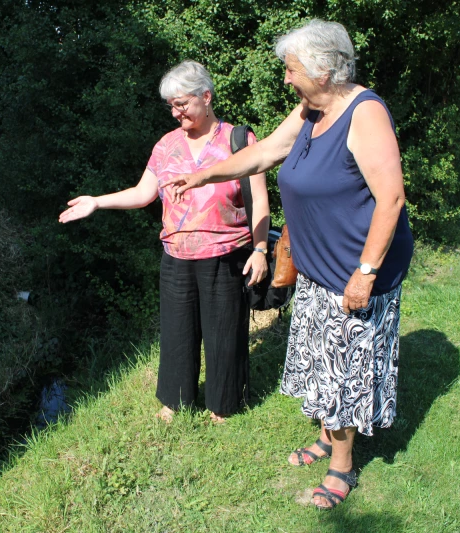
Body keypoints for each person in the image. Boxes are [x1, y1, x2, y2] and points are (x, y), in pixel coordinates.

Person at [162, 20, 414, 508]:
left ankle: (342, 467)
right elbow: (264, 154)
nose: (285, 78)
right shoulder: (310, 109)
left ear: (323, 71)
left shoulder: (364, 113)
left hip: (354, 269)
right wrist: (204, 174)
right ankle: (326, 437)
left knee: (344, 371)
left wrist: (365, 274)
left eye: (291, 69)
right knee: (321, 360)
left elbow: (392, 198)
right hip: (318, 267)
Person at [59, 60, 270, 424]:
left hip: (225, 253)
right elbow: (143, 193)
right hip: (176, 255)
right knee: (177, 332)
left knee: (224, 333)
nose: (176, 112)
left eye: (182, 104)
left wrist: (262, 249)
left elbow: (259, 200)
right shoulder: (166, 145)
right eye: (171, 106)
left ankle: (223, 405)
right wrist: (97, 201)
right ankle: (175, 401)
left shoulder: (238, 140)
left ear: (206, 96)